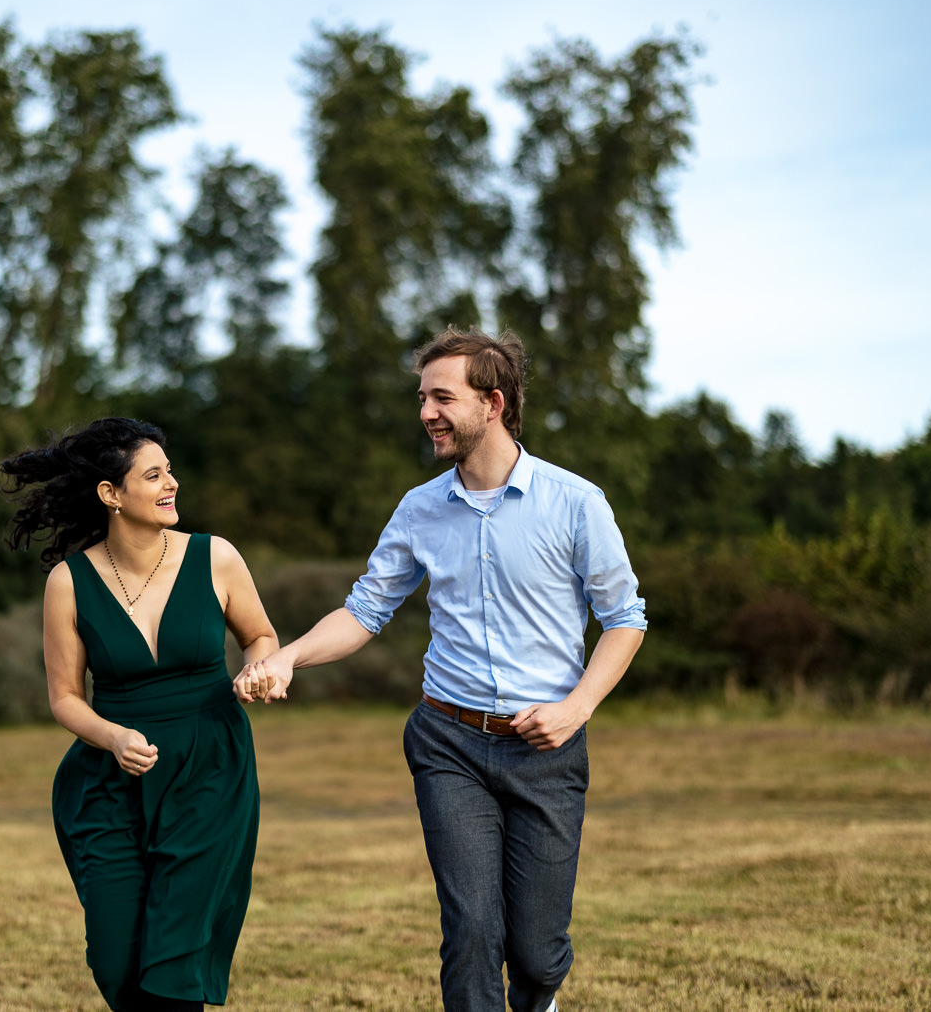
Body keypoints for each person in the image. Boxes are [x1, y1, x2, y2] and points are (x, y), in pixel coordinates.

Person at [234, 328, 646, 1012]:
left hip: (546, 749)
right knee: (471, 930)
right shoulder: (419, 508)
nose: (425, 411)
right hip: (448, 741)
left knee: (538, 951)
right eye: (422, 396)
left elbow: (624, 618)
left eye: (440, 396)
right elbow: (365, 611)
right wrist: (289, 654)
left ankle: (539, 996)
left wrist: (576, 707)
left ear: (493, 401)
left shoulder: (576, 502)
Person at [3, 417, 278, 1012]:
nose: (171, 484)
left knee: (174, 960)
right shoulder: (68, 583)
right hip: (110, 779)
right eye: (153, 475)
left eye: (170, 472)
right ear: (111, 494)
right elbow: (65, 698)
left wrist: (258, 669)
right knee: (115, 957)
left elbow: (261, 636)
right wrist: (113, 736)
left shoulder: (216, 558)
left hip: (210, 768)